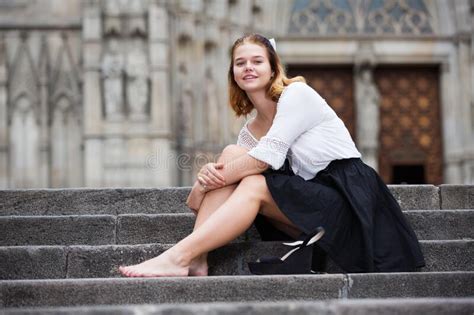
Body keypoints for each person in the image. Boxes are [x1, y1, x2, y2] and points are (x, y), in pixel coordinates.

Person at [119, 34, 425, 277]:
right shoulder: (249, 130)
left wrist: (206, 182)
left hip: (347, 199)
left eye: (257, 61)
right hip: (308, 205)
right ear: (233, 74)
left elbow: (267, 158)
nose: (248, 67)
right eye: (240, 63)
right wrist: (207, 180)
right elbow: (211, 188)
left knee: (251, 182)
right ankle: (198, 260)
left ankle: (179, 255)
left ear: (273, 67)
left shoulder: (298, 95)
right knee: (232, 152)